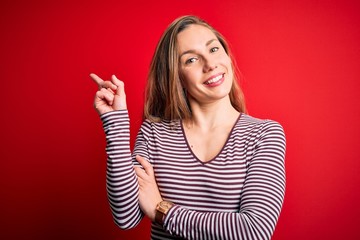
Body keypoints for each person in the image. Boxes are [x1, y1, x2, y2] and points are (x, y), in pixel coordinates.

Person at [91, 15, 286, 240]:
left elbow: (253, 231)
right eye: (191, 60)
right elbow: (126, 217)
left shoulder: (265, 134)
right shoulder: (155, 133)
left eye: (213, 49)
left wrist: (161, 209)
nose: (210, 64)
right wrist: (115, 124)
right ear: (177, 76)